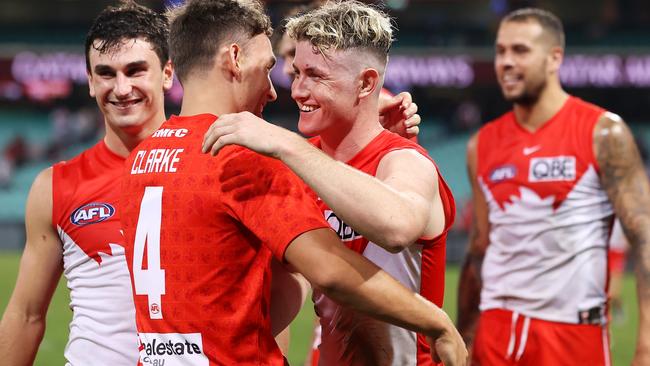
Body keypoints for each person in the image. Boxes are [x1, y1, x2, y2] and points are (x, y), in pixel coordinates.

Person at [120, 0, 467, 365]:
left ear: (365, 84)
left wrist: (289, 144)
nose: (286, 91)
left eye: (313, 75)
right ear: (234, 59)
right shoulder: (259, 159)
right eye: (291, 72)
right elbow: (314, 277)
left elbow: (397, 227)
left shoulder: (141, 158)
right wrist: (438, 322)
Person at [456, 7, 650, 365]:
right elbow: (480, 247)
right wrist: (464, 333)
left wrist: (647, 345)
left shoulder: (603, 133)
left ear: (554, 58)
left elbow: (644, 237)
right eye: (500, 51)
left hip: (571, 333)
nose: (505, 62)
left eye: (520, 50)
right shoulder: (480, 144)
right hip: (495, 331)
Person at [0, 2, 173, 365]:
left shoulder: (211, 165)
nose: (122, 88)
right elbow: (26, 314)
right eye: (106, 74)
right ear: (91, 83)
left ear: (168, 74)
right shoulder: (55, 185)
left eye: (136, 70)